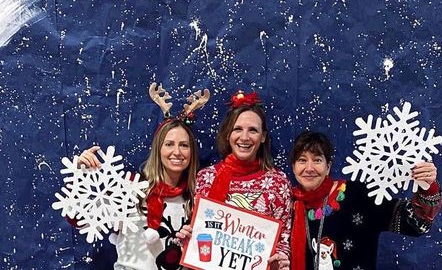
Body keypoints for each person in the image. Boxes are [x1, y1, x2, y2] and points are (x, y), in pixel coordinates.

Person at [76, 84, 209, 270]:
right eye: (169, 144)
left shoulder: (198, 198)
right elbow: (80, 219)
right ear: (158, 149)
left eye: (184, 145)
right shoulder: (130, 189)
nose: (177, 152)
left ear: (192, 152)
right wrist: (82, 177)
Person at [290, 131, 442, 270]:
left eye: (317, 160)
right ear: (293, 167)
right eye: (302, 160)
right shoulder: (286, 206)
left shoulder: (357, 195)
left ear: (328, 167)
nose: (309, 168)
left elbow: (416, 224)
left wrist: (428, 187)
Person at [178, 90, 293, 270]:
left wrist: (281, 261)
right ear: (227, 134)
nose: (244, 137)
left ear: (263, 137)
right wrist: (187, 240)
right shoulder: (206, 178)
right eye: (237, 129)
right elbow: (200, 232)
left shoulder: (278, 183)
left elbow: (282, 241)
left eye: (253, 130)